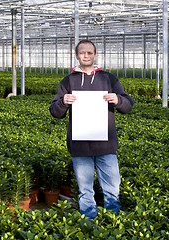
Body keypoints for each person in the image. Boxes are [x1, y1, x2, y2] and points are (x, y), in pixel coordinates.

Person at [49, 39, 134, 220]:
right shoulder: (68, 81)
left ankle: (113, 221)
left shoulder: (108, 79)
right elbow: (55, 112)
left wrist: (118, 100)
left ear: (95, 55)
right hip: (80, 147)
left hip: (106, 146)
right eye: (82, 53)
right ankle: (89, 225)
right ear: (77, 55)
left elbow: (128, 106)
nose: (86, 56)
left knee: (112, 189)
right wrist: (63, 102)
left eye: (89, 52)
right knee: (85, 191)